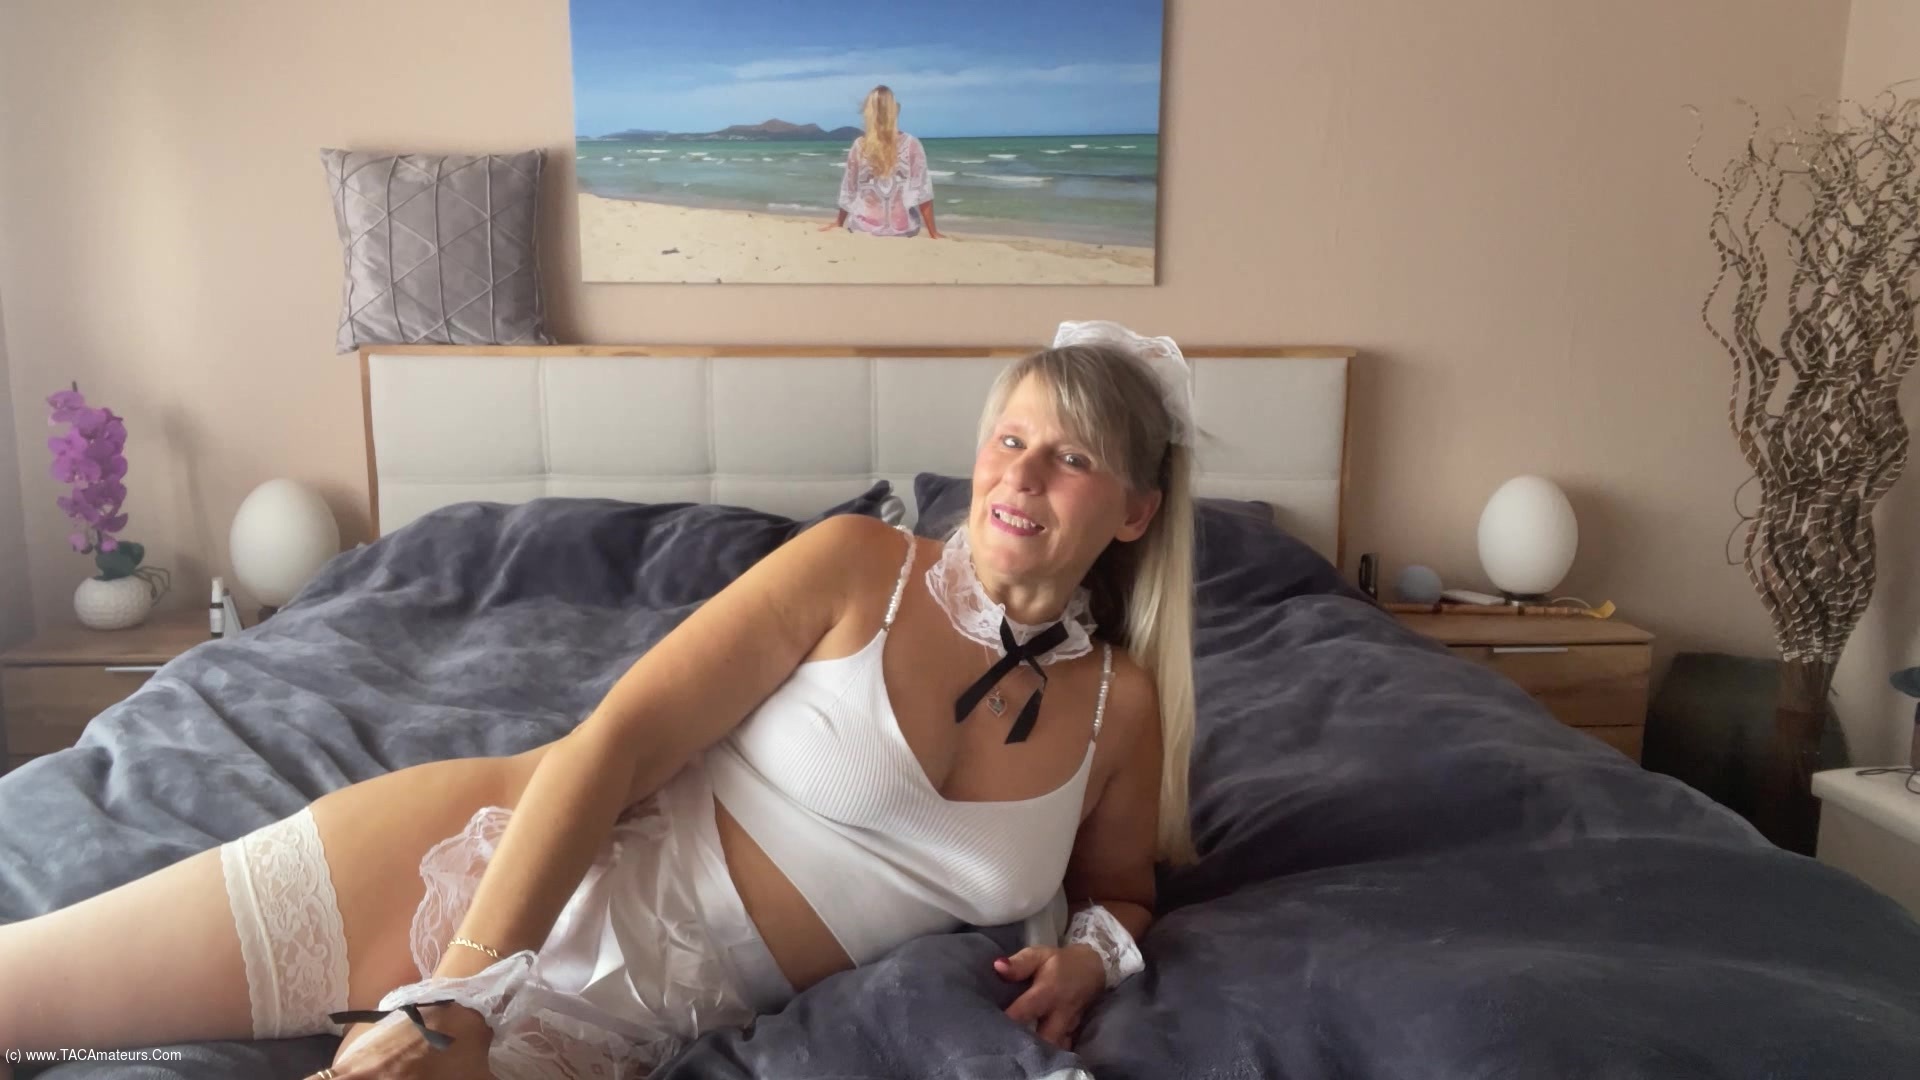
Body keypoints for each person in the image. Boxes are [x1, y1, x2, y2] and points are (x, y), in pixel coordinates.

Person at [0, 321, 1199, 1080]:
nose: (1020, 476)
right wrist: (454, 999)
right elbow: (614, 740)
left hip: (623, 1029)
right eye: (1009, 438)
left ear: (1136, 511)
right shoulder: (858, 568)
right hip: (477, 871)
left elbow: (1124, 893)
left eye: (1071, 457)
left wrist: (1091, 959)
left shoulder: (1121, 709)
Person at [819, 85, 943, 239]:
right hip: (903, 229)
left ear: (868, 112)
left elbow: (849, 190)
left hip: (862, 227)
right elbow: (922, 190)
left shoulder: (860, 146)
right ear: (894, 110)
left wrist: (839, 222)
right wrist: (933, 233)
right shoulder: (911, 144)